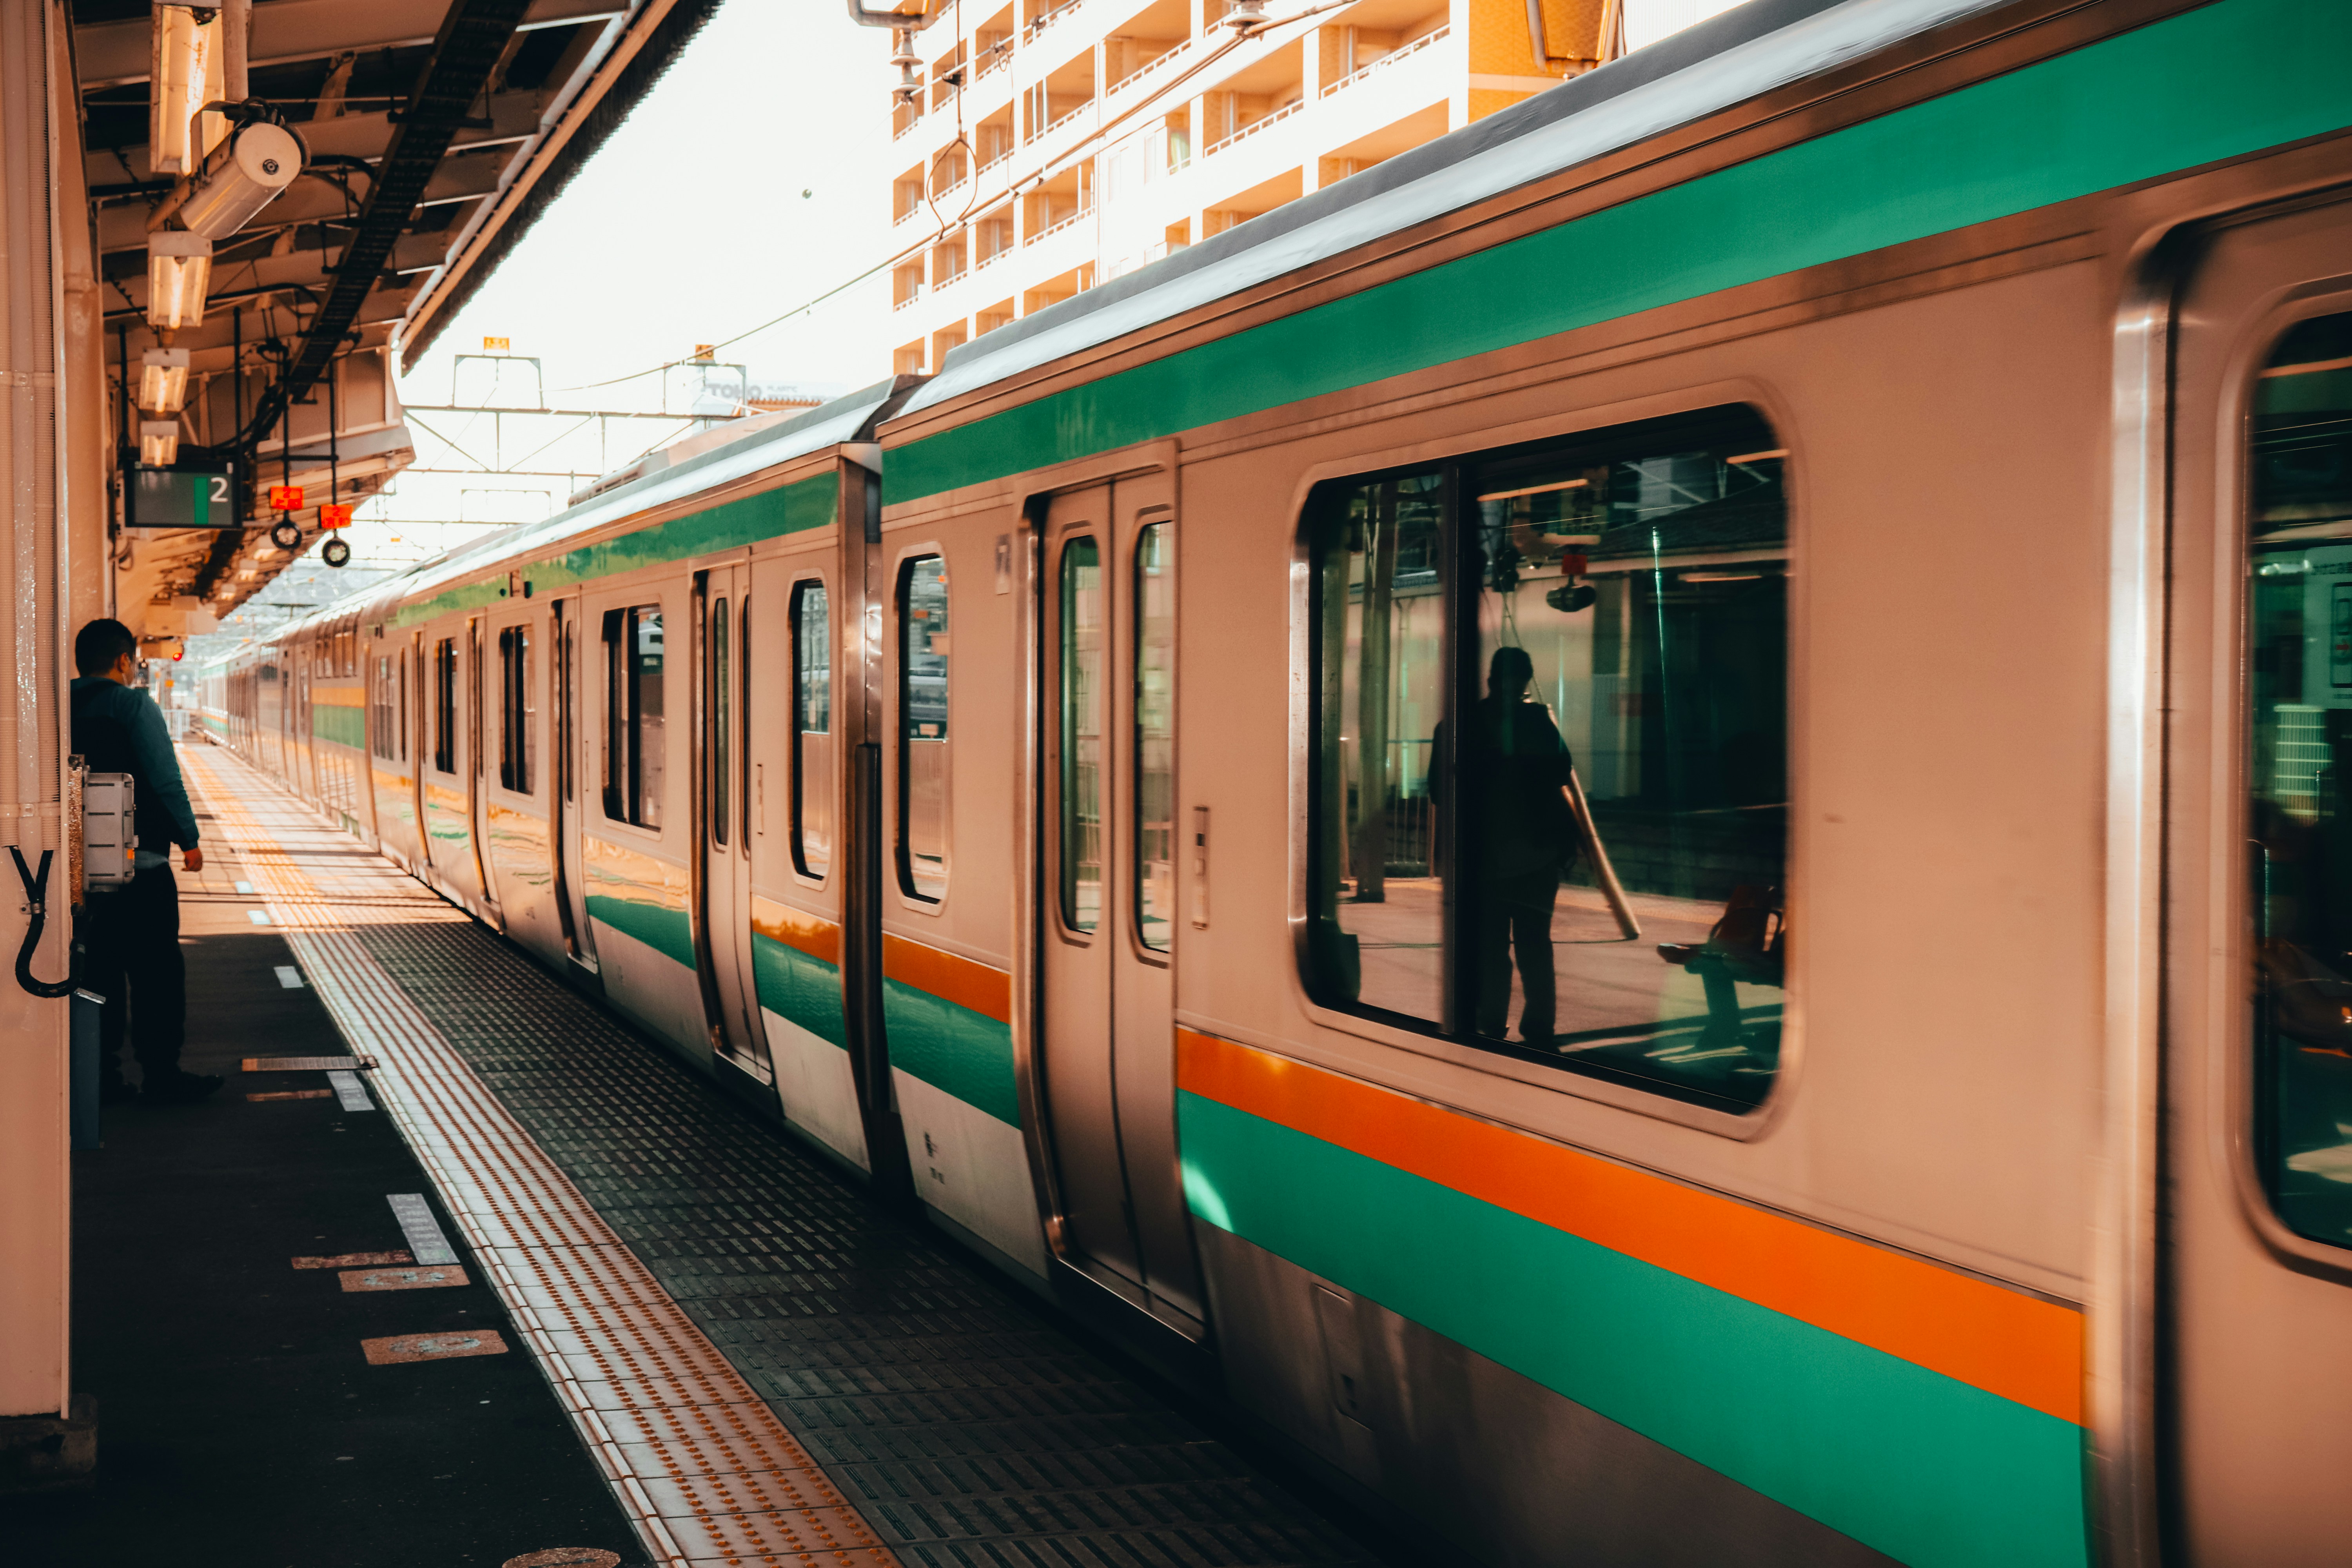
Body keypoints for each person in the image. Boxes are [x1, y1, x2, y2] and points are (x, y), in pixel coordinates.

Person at [71, 619, 218, 1105]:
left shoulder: (59, 705)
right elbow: (163, 776)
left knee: (98, 975)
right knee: (156, 975)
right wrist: (189, 839)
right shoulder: (132, 704)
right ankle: (161, 1075)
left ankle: (104, 1079)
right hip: (143, 866)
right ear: (123, 661)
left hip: (79, 874)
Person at [1451, 645, 1580, 1047]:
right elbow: (1562, 769)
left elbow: (1441, 787)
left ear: (1489, 679)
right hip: (1537, 856)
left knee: (1490, 950)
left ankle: (1489, 1022)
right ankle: (1539, 1027)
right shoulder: (1538, 723)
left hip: (1485, 860)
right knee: (1535, 948)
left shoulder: (1461, 723)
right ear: (1525, 681)